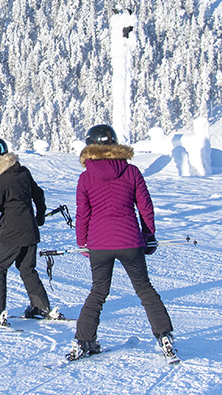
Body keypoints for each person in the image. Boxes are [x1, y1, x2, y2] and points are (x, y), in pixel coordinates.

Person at [70, 124, 176, 361]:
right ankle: (164, 335)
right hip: (130, 241)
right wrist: (149, 237)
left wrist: (82, 242)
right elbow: (145, 208)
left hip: (99, 243)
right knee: (145, 289)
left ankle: (83, 340)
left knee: (98, 292)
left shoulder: (86, 177)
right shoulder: (132, 172)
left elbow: (82, 214)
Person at [0, 138, 63, 326]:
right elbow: (39, 194)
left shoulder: (0, 180)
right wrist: (40, 217)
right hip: (30, 231)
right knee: (27, 269)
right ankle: (42, 308)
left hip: (11, 235)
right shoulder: (22, 172)